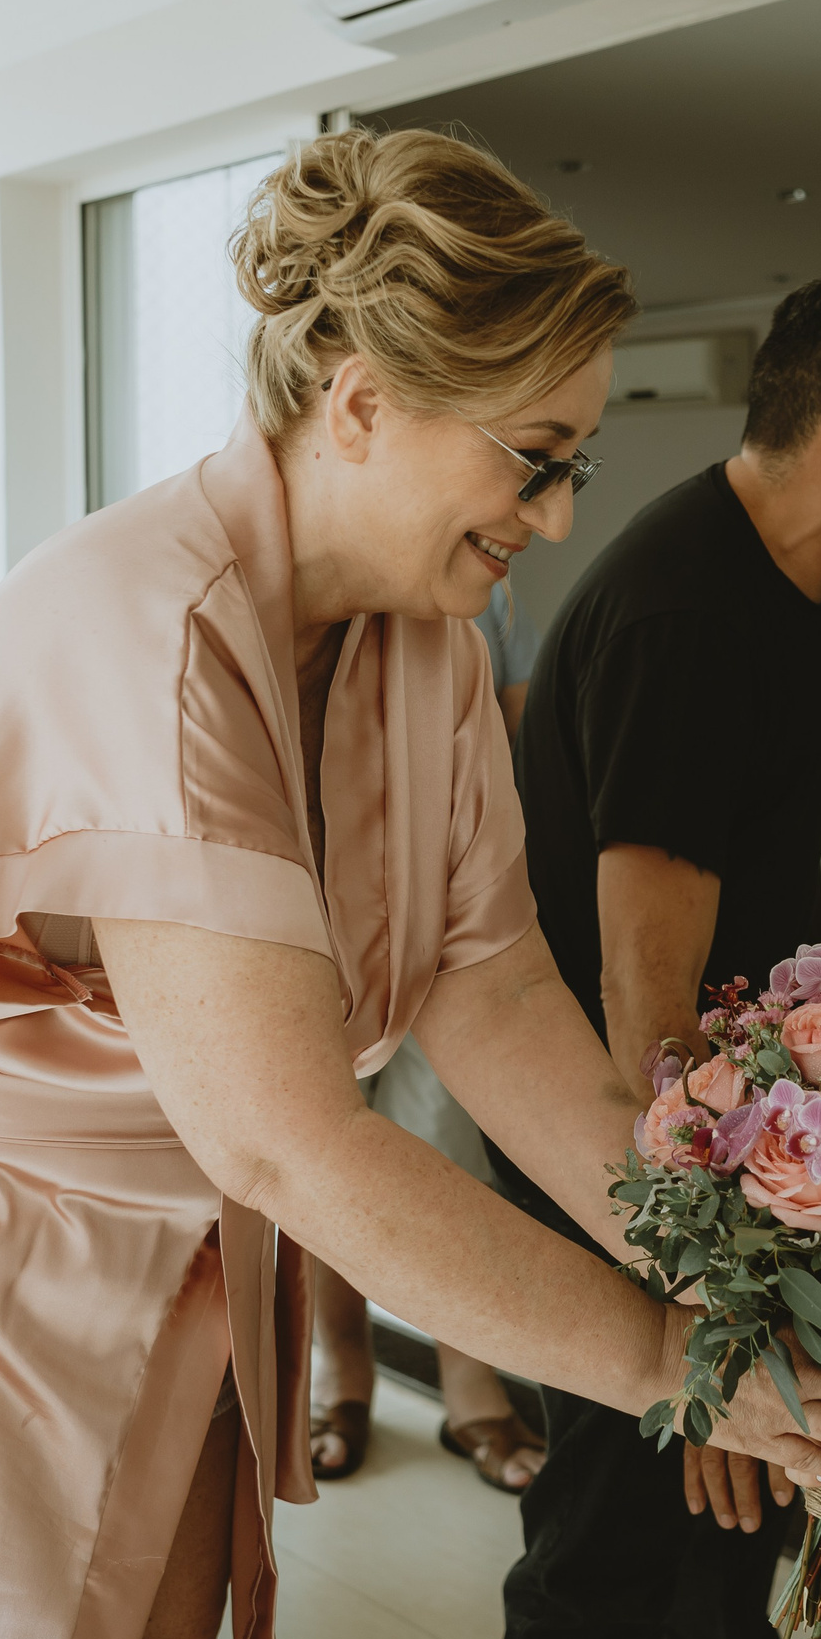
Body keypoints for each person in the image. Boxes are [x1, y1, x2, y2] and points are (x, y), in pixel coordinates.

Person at [0, 129, 821, 1639]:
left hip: (156, 1241)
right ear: (361, 404)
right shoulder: (140, 626)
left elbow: (493, 986)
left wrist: (719, 1270)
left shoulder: (428, 642)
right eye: (532, 456)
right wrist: (675, 1362)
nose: (555, 516)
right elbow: (285, 1133)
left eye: (577, 465)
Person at [498, 263, 821, 1639]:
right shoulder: (693, 611)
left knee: (722, 1567)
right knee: (605, 1565)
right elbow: (645, 998)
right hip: (623, 1176)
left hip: (706, 1181)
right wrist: (704, 1311)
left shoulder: (770, 580)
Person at [305, 574, 548, 1493]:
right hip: (309, 915)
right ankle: (341, 1368)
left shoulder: (490, 593)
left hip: (448, 918)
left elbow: (521, 749)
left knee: (449, 1154)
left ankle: (469, 1380)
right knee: (319, 1152)